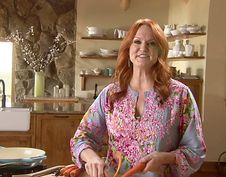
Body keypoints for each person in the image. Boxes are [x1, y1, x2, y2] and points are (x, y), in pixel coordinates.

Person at [70, 18, 206, 177]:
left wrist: (166, 158)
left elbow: (196, 150)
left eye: (151, 43)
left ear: (160, 51)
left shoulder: (179, 95)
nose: (143, 48)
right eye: (137, 41)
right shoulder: (110, 94)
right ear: (128, 49)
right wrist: (91, 156)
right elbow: (81, 137)